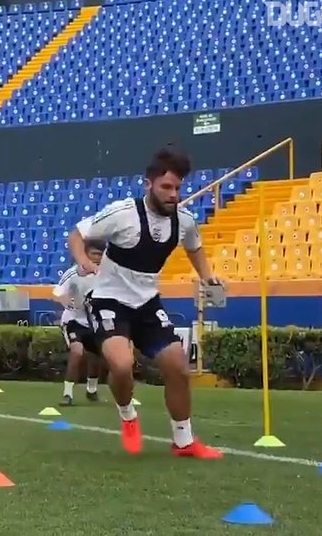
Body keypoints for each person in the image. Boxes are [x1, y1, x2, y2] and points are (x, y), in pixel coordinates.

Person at [69, 148, 223, 459]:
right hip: (108, 299)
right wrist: (83, 259)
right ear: (148, 184)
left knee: (178, 366)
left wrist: (208, 277)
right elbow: (77, 234)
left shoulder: (184, 221)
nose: (173, 195)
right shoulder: (122, 214)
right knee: (122, 365)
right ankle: (127, 416)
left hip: (147, 303)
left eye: (178, 188)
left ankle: (184, 441)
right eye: (166, 187)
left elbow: (195, 247)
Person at [52, 238, 105, 406]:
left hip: (94, 322)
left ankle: (91, 390)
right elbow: (55, 293)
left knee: (96, 356)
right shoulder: (72, 274)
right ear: (84, 255)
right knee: (77, 352)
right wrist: (64, 298)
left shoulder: (105, 275)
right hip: (73, 319)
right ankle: (67, 394)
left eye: (100, 254)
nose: (97, 258)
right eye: (94, 254)